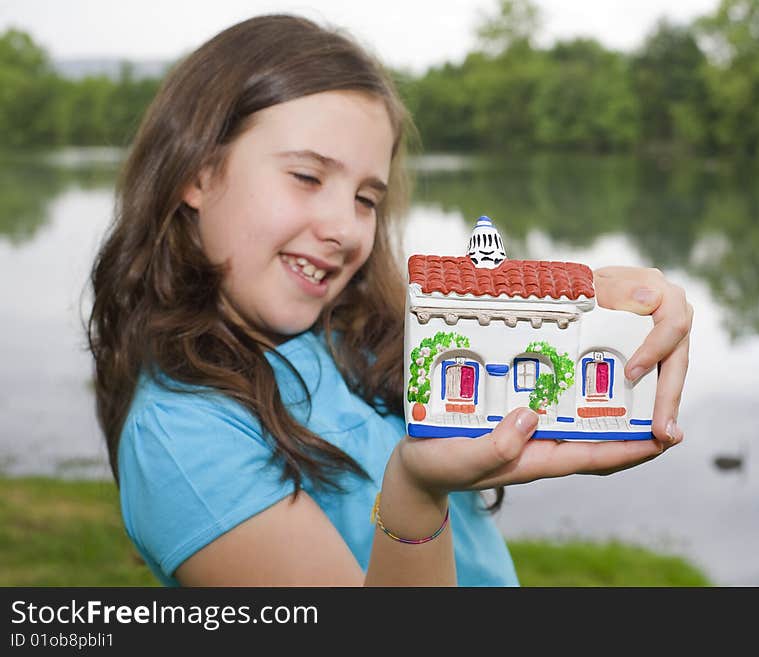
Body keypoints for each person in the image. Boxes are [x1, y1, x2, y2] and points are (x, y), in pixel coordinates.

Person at [87, 14, 693, 587]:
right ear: (197, 173)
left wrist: (596, 300)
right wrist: (414, 494)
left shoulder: (345, 335)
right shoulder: (182, 439)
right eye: (306, 176)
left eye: (366, 199)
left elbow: (487, 324)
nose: (345, 228)